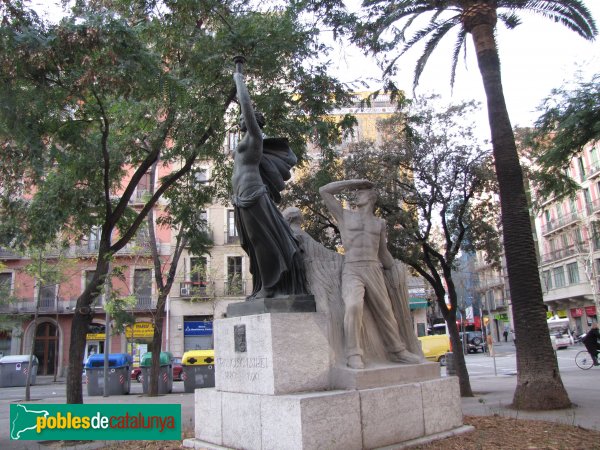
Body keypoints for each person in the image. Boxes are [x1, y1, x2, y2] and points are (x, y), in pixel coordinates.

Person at [319, 179, 422, 369]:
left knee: (385, 311)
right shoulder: (345, 216)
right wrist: (354, 183)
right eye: (356, 192)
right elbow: (324, 190)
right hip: (352, 267)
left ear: (371, 198)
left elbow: (382, 252)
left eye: (361, 192)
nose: (356, 194)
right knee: (353, 306)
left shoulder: (379, 223)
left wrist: (394, 270)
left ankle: (397, 351)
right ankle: (353, 353)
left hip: (373, 267)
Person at [231, 59, 308, 300]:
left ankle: (270, 286)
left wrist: (239, 77)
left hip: (253, 195)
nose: (241, 119)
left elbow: (245, 104)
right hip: (241, 197)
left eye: (246, 117)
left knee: (260, 239)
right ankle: (263, 285)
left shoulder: (254, 139)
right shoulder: (245, 142)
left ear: (254, 121)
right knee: (253, 244)